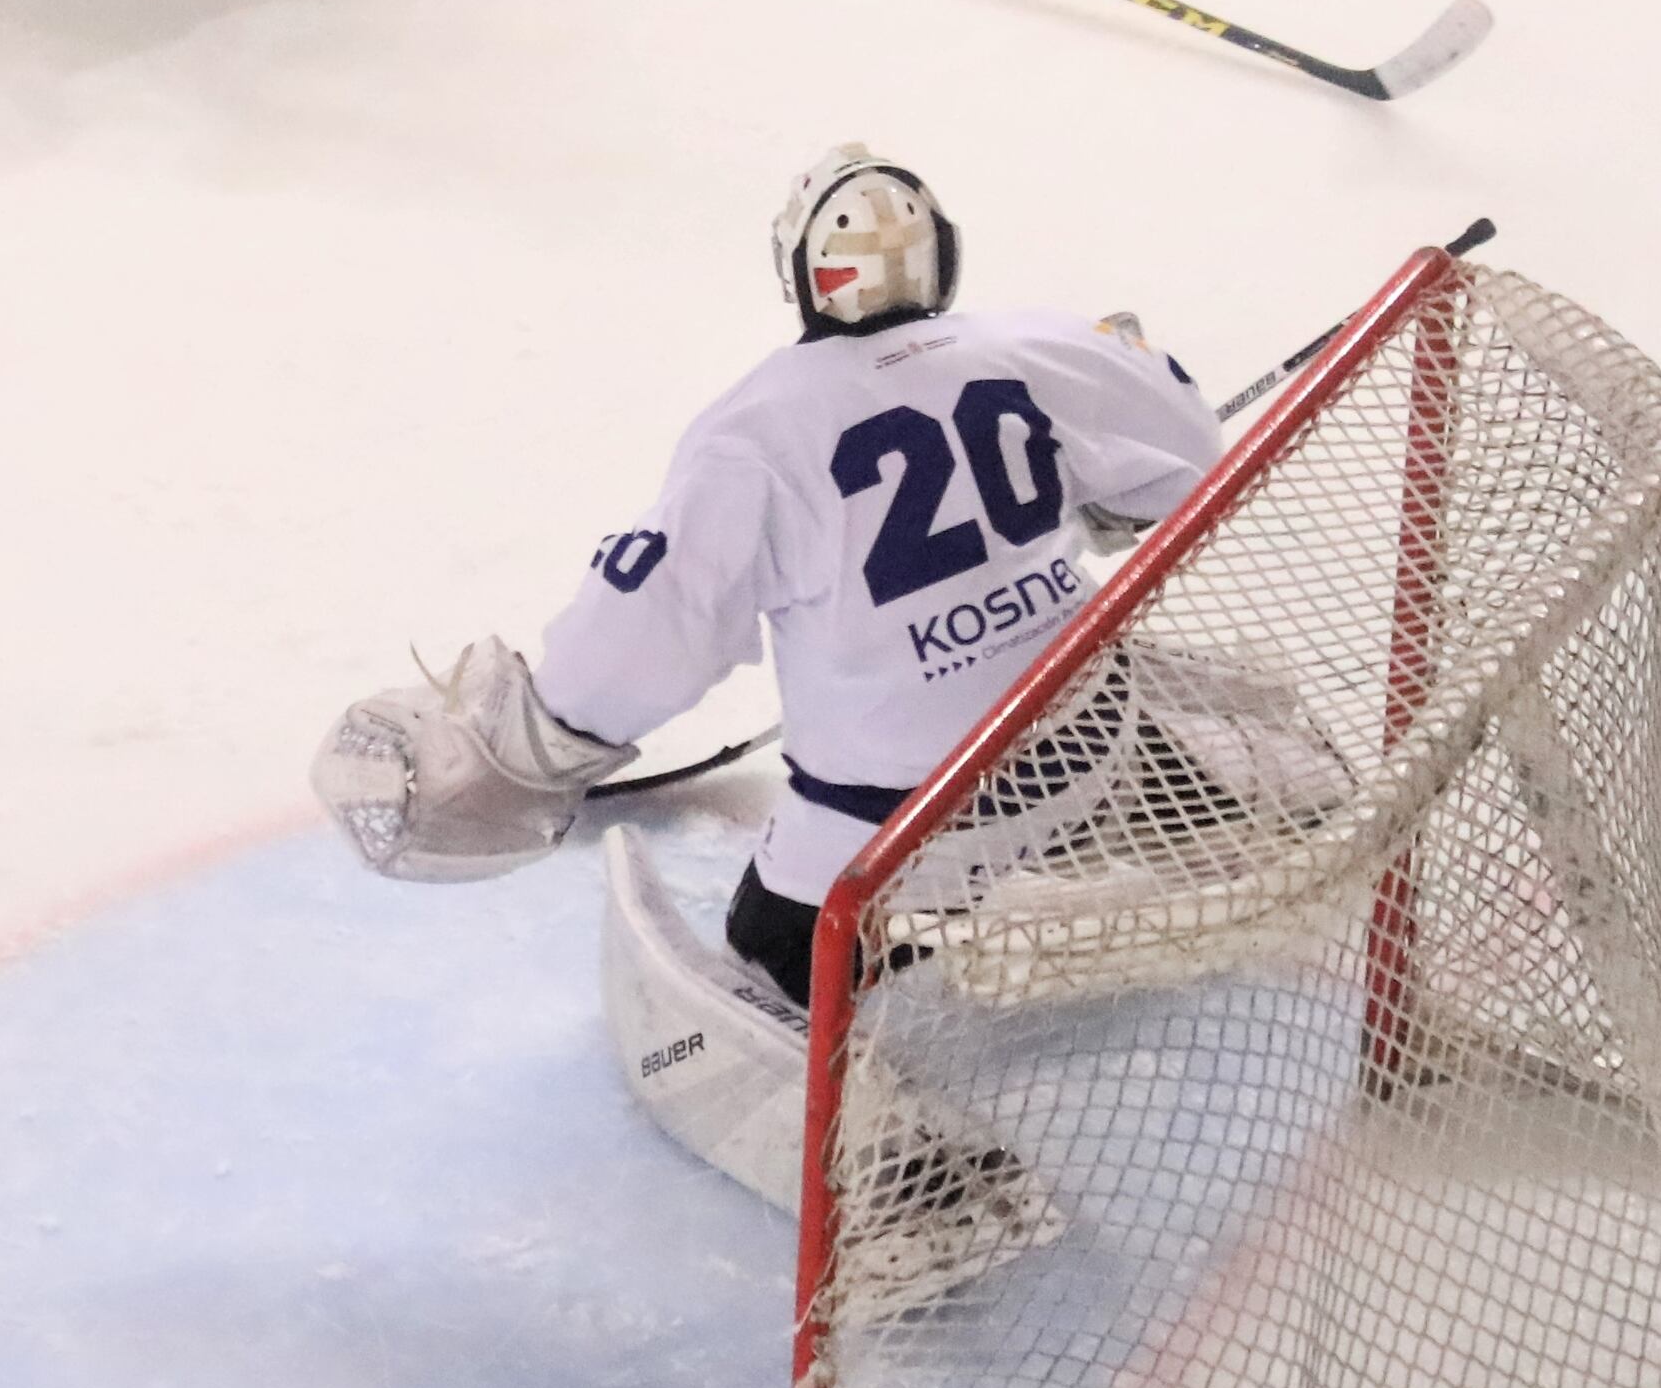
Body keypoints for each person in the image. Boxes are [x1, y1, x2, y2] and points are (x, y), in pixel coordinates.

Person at [308, 148, 1235, 1208]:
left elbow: (647, 634)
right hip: (1091, 744)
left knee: (769, 946)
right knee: (1078, 694)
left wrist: (541, 735)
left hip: (907, 826)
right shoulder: (1040, 344)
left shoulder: (751, 433)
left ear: (798, 273)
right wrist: (1099, 496)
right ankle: (1177, 809)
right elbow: (1184, 447)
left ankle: (912, 1187)